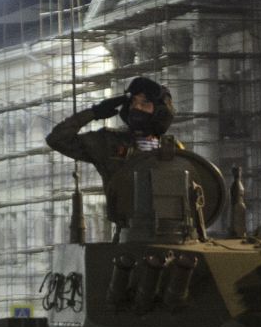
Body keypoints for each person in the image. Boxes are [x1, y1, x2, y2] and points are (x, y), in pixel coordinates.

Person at [45, 76, 184, 220]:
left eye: (145, 103)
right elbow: (57, 139)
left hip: (173, 230)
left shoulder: (173, 149)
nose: (136, 107)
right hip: (128, 230)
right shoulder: (109, 142)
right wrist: (94, 113)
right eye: (133, 102)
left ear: (160, 111)